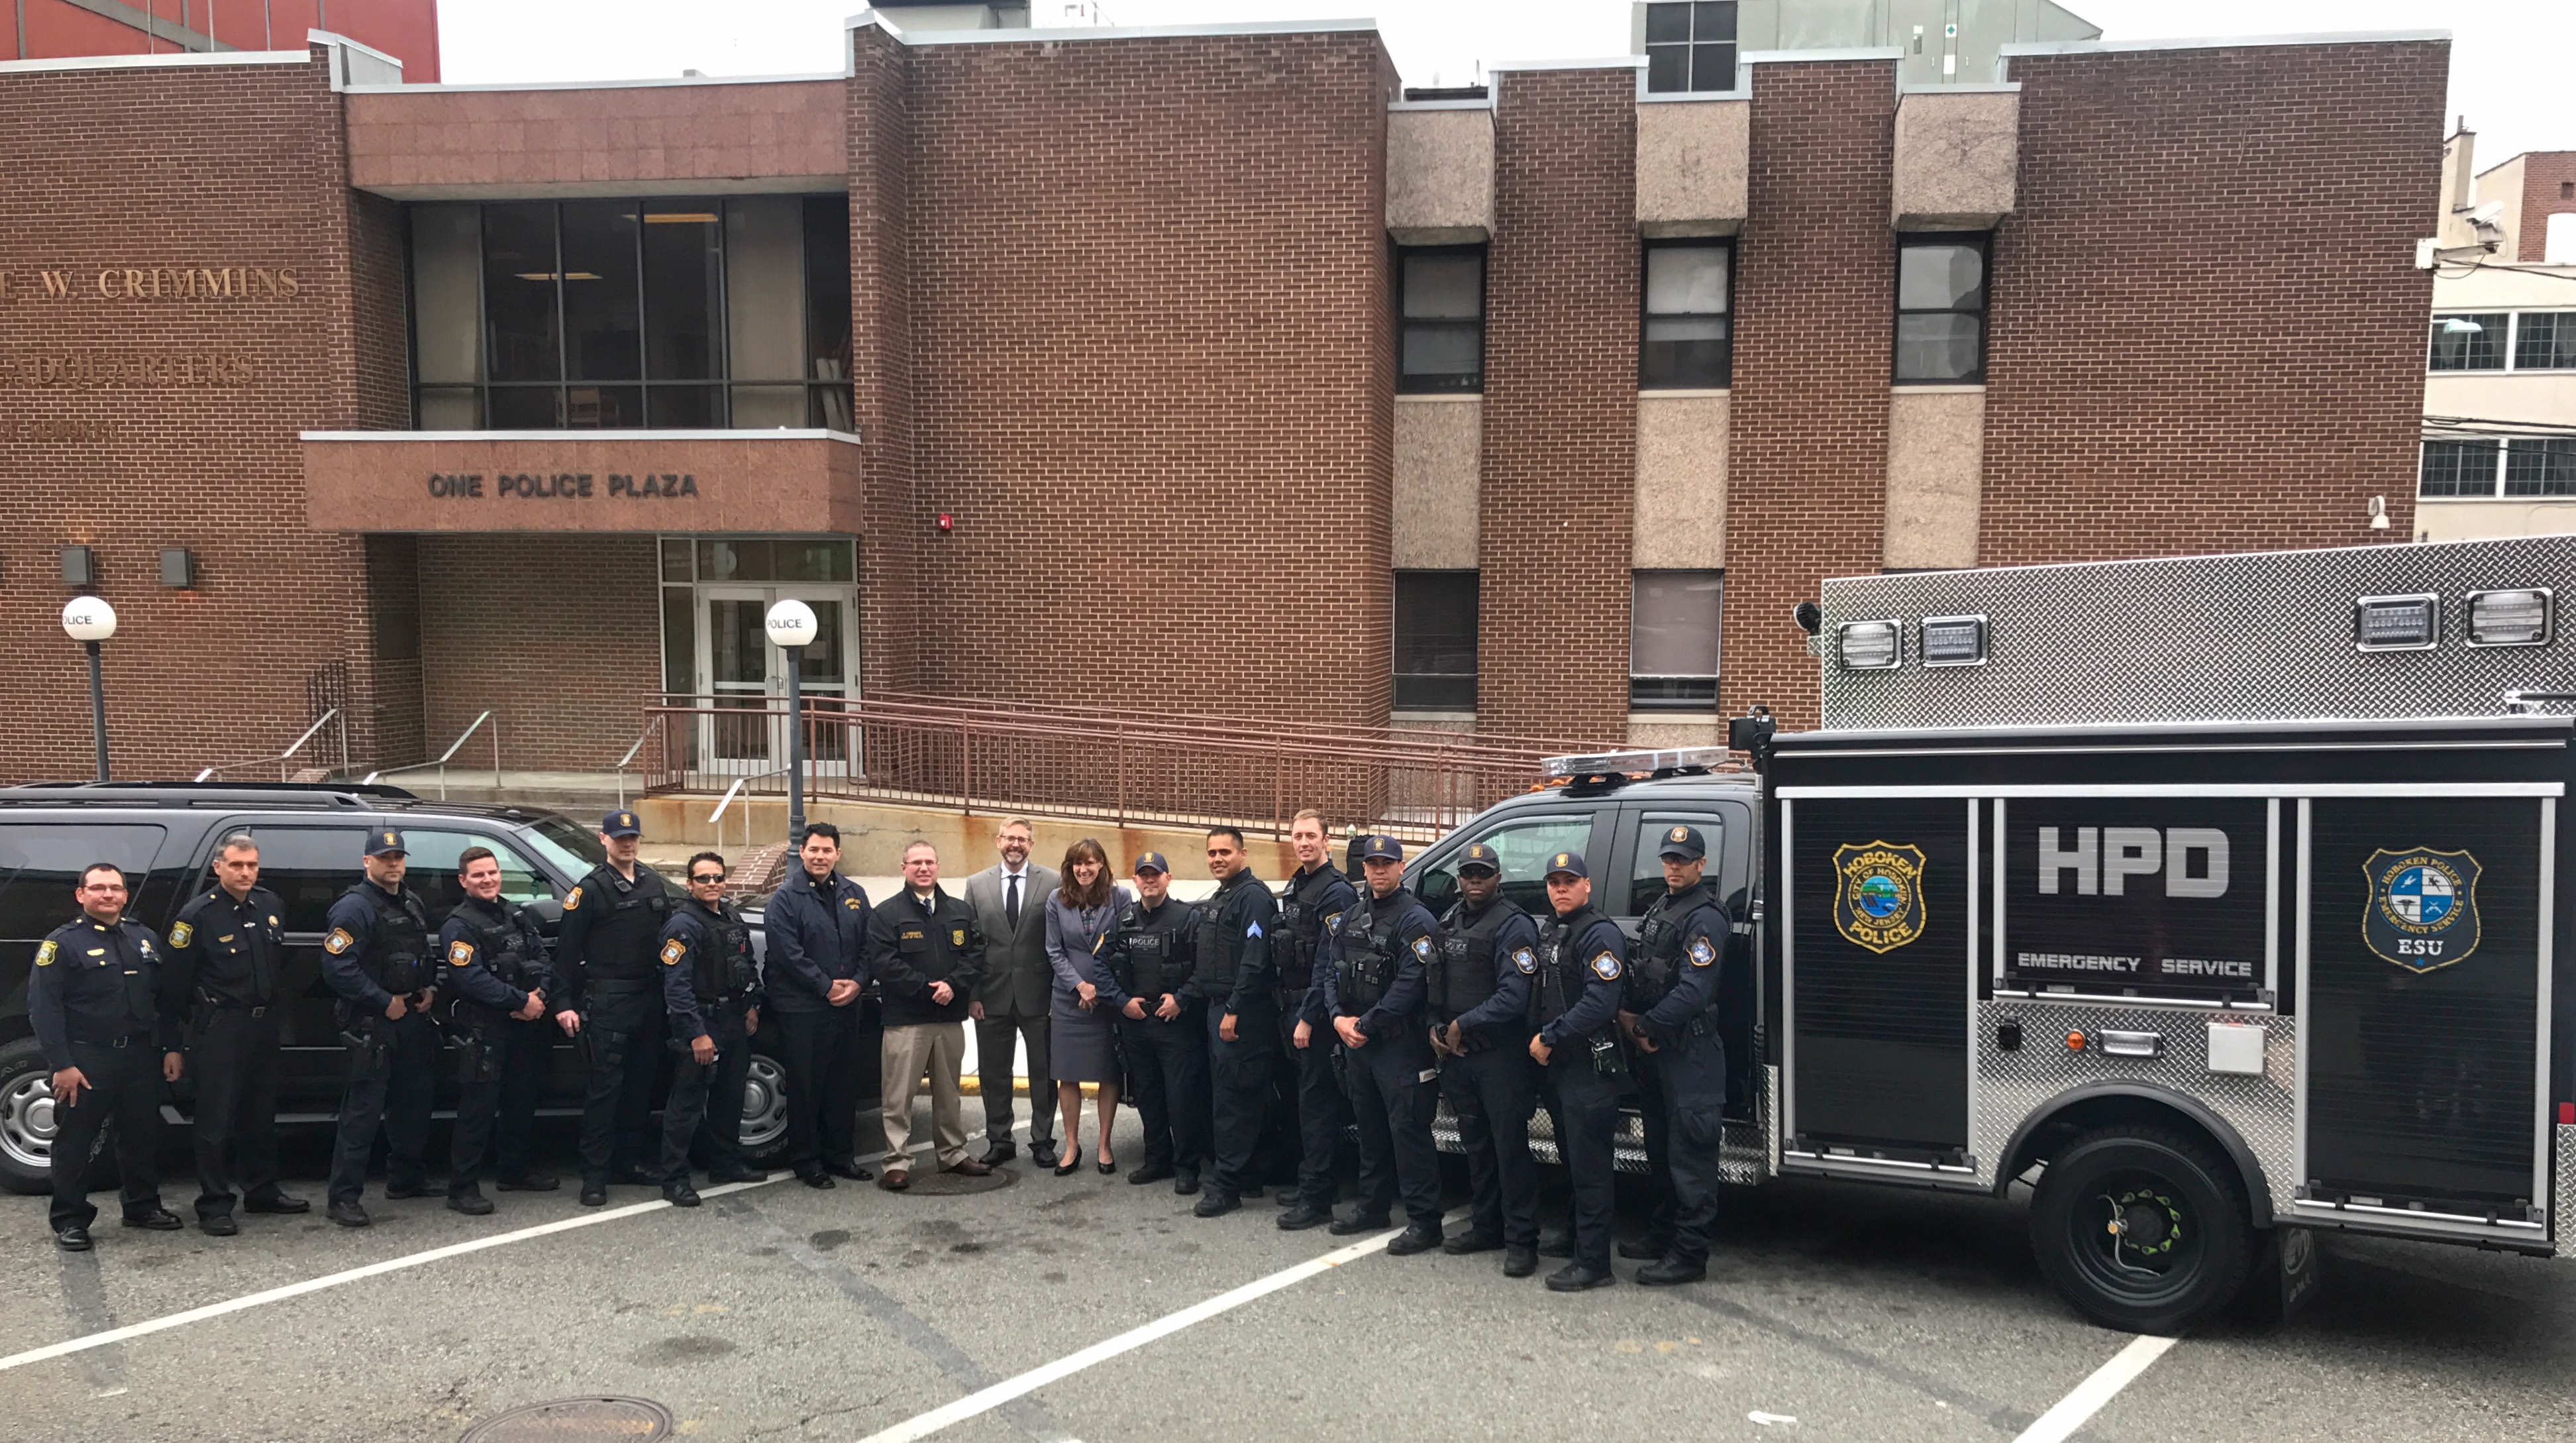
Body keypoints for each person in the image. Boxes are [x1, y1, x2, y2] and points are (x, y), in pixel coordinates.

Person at [1305, 834, 1443, 1254]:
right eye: (1372, 863)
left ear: (1402, 868)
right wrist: (1336, 1017)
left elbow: (1411, 985)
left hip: (1398, 1045)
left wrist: (1365, 1024)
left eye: (1387, 863)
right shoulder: (1350, 916)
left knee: (1409, 1132)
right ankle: (1373, 1206)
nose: (1379, 870)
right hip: (1358, 1042)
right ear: (1363, 869)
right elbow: (1329, 970)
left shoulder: (1416, 920)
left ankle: (1425, 1221)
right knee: (1370, 1130)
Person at [162, 831, 307, 1234]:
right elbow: (173, 989)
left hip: (263, 1026)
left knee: (260, 1112)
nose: (246, 872)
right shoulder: (196, 917)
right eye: (237, 865)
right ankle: (214, 1204)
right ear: (218, 867)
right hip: (221, 1027)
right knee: (215, 1119)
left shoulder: (270, 905)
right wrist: (173, 1044)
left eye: (252, 865)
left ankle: (261, 1190)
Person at [33, 863, 182, 1249]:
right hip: (86, 1060)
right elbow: (44, 1009)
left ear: (125, 895)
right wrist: (62, 1064)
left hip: (139, 1057)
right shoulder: (62, 944)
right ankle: (70, 1219)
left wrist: (170, 1048)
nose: (108, 895)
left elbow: (163, 1002)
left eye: (115, 888)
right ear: (81, 895)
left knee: (140, 1137)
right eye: (98, 888)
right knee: (76, 1143)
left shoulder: (144, 938)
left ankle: (141, 1206)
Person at [1618, 824, 1731, 1286]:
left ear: (1701, 865)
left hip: (1690, 1053)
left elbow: (1693, 989)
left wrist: (1645, 1026)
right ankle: (1663, 1232)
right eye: (1668, 859)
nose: (1673, 867)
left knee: (1690, 1157)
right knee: (1661, 1149)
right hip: (1660, 1052)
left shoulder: (1705, 918)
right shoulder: (1664, 905)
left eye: (1682, 861)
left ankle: (1688, 1255)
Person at [1428, 842, 1543, 1277]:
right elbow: (1435, 981)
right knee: (1475, 1145)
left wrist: (1465, 1025)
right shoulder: (1450, 920)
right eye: (1467, 873)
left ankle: (1521, 1240)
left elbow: (1514, 997)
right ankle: (1486, 1226)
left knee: (1509, 1149)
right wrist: (1434, 1027)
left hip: (1499, 1057)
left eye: (1483, 873)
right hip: (1458, 1058)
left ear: (1499, 877)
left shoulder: (1513, 925)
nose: (1474, 880)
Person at [554, 810, 678, 1207]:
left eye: (633, 837)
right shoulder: (589, 891)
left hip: (648, 998)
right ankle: (595, 1175)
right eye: (619, 837)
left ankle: (630, 1161)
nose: (627, 844)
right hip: (608, 1000)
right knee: (604, 1091)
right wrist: (563, 1003)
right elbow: (566, 954)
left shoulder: (650, 880)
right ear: (603, 839)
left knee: (640, 1087)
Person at [320, 829, 440, 1228]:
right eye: (384, 857)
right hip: (372, 1022)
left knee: (413, 1102)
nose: (393, 864)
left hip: (410, 1016)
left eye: (398, 856)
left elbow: (421, 954)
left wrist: (429, 989)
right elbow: (338, 967)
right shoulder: (354, 908)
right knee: (363, 1111)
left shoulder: (410, 900)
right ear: (367, 861)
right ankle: (344, 1198)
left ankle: (405, 1178)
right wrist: (381, 1000)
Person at [437, 846, 560, 1214]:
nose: (488, 879)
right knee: (478, 1109)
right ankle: (462, 1188)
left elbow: (544, 959)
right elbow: (470, 978)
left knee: (520, 1101)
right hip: (485, 1028)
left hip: (524, 1026)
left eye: (492, 872)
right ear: (463, 881)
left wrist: (538, 996)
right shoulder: (458, 925)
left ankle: (514, 1170)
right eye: (478, 875)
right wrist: (520, 1002)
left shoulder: (515, 914)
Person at [1527, 849, 1628, 1292]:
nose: (1561, 888)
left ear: (1587, 885)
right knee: (1570, 1157)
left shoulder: (1599, 934)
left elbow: (1599, 1003)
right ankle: (1574, 1236)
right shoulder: (1555, 930)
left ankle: (1593, 1263)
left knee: (1590, 1166)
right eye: (1554, 882)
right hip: (1562, 1067)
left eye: (1569, 881)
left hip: (1588, 1063)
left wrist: (1550, 1036)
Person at [758, 822, 873, 1189]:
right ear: (802, 853)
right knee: (807, 1086)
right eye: (814, 850)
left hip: (846, 1003)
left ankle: (841, 1156)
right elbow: (788, 954)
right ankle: (807, 1161)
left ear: (838, 854)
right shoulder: (785, 899)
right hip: (803, 1008)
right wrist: (826, 987)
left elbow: (870, 946)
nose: (820, 856)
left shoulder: (854, 893)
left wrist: (858, 982)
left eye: (827, 851)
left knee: (842, 1084)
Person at [868, 841, 990, 1189]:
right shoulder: (886, 914)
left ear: (938, 867)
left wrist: (953, 985)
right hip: (907, 1019)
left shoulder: (960, 911)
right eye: (916, 862)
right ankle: (897, 1161)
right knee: (898, 1095)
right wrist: (926, 988)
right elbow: (883, 963)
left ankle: (952, 1154)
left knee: (949, 1093)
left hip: (949, 1019)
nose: (924, 868)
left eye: (930, 862)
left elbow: (976, 955)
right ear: (903, 867)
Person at [656, 851, 766, 1206]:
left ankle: (725, 1164)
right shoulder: (682, 926)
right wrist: (696, 1033)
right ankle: (674, 1180)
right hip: (702, 1024)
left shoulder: (730, 915)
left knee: (730, 1099)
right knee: (686, 1107)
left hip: (733, 1019)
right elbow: (676, 987)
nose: (712, 884)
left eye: (718, 878)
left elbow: (746, 964)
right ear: (690, 884)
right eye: (703, 879)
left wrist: (752, 1005)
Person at [1096, 852, 1209, 1194]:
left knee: (1181, 1098)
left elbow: (1206, 967)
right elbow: (1099, 965)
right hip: (1137, 1021)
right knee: (1148, 1096)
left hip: (1175, 1023)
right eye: (1143, 876)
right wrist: (1121, 1001)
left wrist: (1182, 999)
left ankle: (1187, 1167)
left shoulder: (1189, 918)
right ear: (1135, 882)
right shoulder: (1122, 920)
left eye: (1156, 875)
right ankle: (1157, 1159)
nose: (1150, 881)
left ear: (1168, 879)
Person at [1187, 826, 1280, 1217]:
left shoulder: (1253, 897)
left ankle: (1226, 1188)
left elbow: (1256, 960)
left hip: (1239, 1014)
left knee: (1233, 1102)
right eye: (1212, 853)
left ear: (1243, 854)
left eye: (1225, 851)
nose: (1217, 859)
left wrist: (1234, 1008)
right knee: (1235, 1096)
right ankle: (1249, 1174)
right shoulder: (1222, 896)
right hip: (1219, 1009)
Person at [1268, 809, 1355, 1225]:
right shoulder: (1298, 883)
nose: (1303, 843)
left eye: (1310, 836)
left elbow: (1328, 962)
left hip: (1314, 1015)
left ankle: (1318, 1199)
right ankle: (1311, 1181)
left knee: (1319, 1104)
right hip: (1290, 1006)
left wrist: (1308, 1017)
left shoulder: (1336, 892)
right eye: (1297, 836)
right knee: (1304, 1101)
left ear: (1327, 840)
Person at [964, 819, 1058, 1167]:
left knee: (1044, 1072)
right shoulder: (976, 885)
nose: (1015, 844)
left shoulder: (1052, 881)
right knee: (993, 1073)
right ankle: (1000, 1140)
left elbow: (1059, 939)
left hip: (1039, 995)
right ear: (998, 841)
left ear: (1031, 844)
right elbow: (971, 946)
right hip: (991, 995)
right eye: (1009, 838)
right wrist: (972, 994)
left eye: (1022, 839)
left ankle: (1043, 1140)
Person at [1043, 838, 1123, 1175]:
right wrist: (1080, 985)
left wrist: (1100, 988)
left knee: (1108, 1072)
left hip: (1106, 998)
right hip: (1067, 999)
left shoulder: (1119, 897)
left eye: (1091, 862)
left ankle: (1104, 1145)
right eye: (1078, 863)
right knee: (1068, 1074)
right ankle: (1072, 1145)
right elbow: (1053, 950)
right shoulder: (1056, 900)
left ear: (1102, 865)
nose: (1084, 869)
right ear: (1070, 867)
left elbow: (1121, 944)